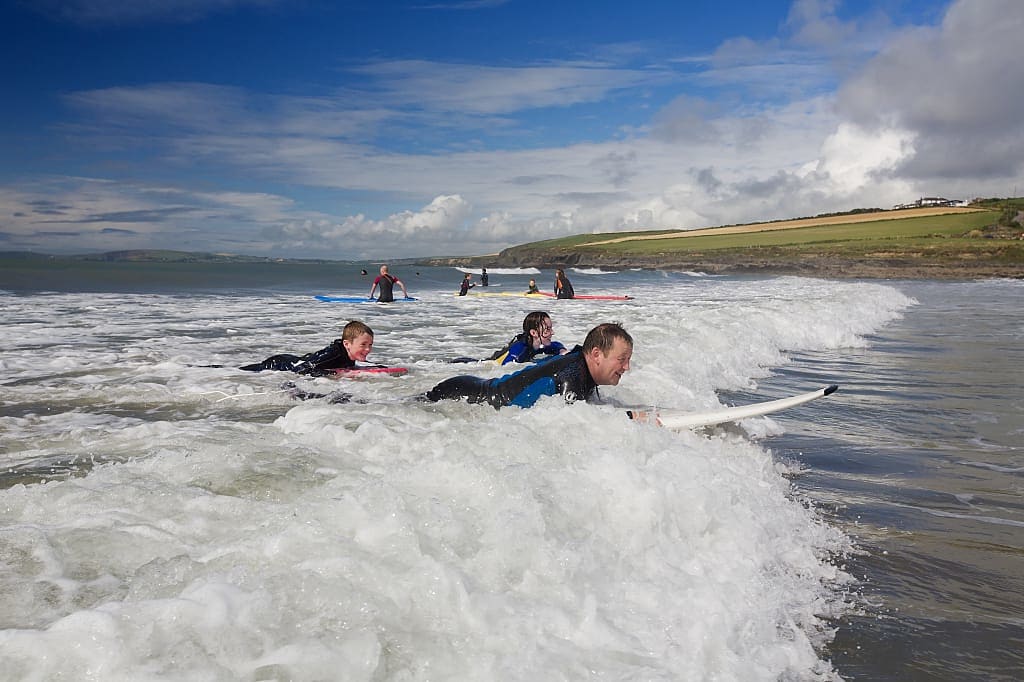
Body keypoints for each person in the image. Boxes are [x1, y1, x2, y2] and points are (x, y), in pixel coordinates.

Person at [425, 322, 632, 408]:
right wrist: (632, 417)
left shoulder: (581, 368)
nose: (626, 367)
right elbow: (577, 423)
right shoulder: (573, 373)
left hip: (470, 388)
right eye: (621, 359)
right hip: (464, 394)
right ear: (596, 354)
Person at [239, 320, 376, 377]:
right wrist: (335, 375)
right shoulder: (334, 353)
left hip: (291, 360)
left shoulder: (349, 355)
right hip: (278, 365)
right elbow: (302, 369)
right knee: (240, 371)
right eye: (363, 345)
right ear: (347, 344)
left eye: (370, 345)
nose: (367, 349)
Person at [487, 311, 567, 365]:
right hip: (488, 364)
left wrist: (562, 350)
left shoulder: (537, 345)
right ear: (533, 333)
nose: (552, 333)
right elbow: (505, 368)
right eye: (548, 330)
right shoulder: (519, 349)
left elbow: (555, 345)